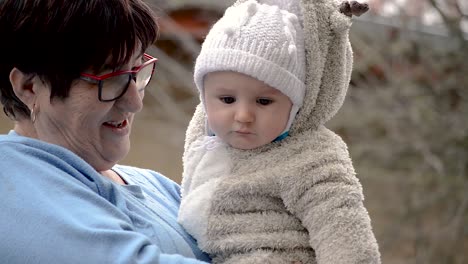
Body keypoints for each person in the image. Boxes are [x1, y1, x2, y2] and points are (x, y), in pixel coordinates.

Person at [0, 0, 211, 263]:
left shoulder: (156, 185)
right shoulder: (11, 188)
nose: (135, 102)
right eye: (110, 78)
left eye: (136, 72)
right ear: (29, 87)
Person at [178, 0, 381, 263]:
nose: (243, 116)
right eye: (227, 100)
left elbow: (342, 228)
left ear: (297, 105)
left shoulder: (312, 158)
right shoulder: (205, 127)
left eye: (264, 102)